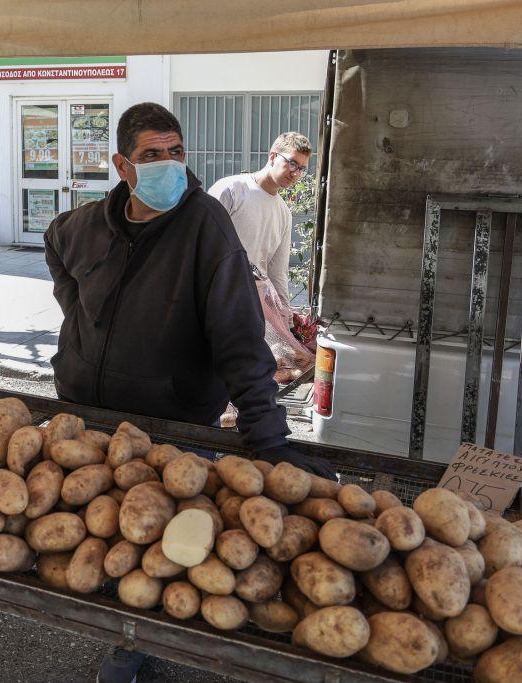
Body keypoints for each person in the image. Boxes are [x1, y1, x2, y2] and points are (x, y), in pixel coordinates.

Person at [44, 103, 335, 682]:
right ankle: (111, 621)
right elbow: (57, 252)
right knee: (101, 536)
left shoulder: (205, 223)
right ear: (123, 166)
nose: (169, 165)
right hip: (91, 417)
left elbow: (237, 333)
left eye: (177, 152)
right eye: (153, 155)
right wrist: (79, 328)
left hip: (171, 424)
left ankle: (132, 646)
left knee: (162, 547)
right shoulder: (84, 225)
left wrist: (267, 432)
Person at [207, 131, 311, 303]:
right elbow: (202, 244)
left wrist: (286, 316)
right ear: (272, 157)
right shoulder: (231, 189)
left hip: (251, 304)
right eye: (292, 163)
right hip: (213, 295)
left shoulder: (284, 213)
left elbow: (277, 273)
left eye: (301, 168)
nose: (296, 173)